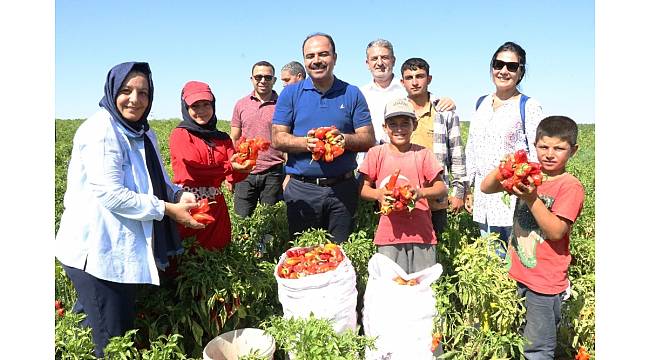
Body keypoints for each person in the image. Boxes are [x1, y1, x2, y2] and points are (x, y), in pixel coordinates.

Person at [55, 62, 205, 358]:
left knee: (90, 324)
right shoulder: (101, 130)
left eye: (143, 92)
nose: (135, 99)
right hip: (96, 253)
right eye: (126, 90)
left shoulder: (143, 132)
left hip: (117, 248)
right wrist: (167, 209)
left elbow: (158, 179)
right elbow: (112, 194)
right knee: (112, 341)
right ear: (112, 91)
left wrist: (180, 194)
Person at [480, 115, 583, 359]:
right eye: (543, 146)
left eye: (559, 148)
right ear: (534, 145)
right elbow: (486, 187)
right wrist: (508, 165)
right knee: (518, 336)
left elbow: (556, 231)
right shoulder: (529, 173)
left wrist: (531, 198)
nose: (549, 153)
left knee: (538, 347)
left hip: (545, 282)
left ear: (573, 151)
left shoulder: (570, 186)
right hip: (518, 272)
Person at [272, 32, 375, 244]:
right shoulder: (290, 94)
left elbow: (368, 139)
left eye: (323, 54)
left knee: (340, 251)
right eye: (310, 56)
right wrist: (306, 143)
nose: (316, 60)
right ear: (304, 60)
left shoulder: (351, 93)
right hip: (302, 189)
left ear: (334, 58)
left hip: (342, 188)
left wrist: (343, 140)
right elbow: (277, 138)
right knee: (302, 253)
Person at [464, 41, 544, 258]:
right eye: (498, 64)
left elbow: (539, 154)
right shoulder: (481, 103)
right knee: (489, 259)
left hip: (512, 198)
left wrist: (529, 192)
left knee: (517, 260)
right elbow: (472, 147)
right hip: (483, 198)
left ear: (521, 72)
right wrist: (469, 189)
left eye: (512, 66)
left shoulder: (529, 106)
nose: (504, 71)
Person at [358, 98, 447, 273]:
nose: (399, 129)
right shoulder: (376, 153)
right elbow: (362, 188)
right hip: (388, 235)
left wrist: (419, 193)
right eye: (393, 124)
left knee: (422, 285)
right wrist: (379, 195)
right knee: (391, 285)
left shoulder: (422, 153)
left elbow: (441, 188)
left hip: (422, 233)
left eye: (405, 124)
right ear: (385, 127)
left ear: (414, 125)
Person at [170, 80, 253, 250]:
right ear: (186, 108)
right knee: (188, 254)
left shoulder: (222, 138)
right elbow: (194, 168)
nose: (201, 111)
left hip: (216, 206)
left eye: (206, 105)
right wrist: (230, 166)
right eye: (195, 106)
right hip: (189, 204)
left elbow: (234, 175)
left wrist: (247, 162)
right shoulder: (181, 134)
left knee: (218, 251)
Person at [357, 39, 455, 166]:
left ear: (393, 60)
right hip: (369, 163)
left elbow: (428, 102)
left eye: (385, 57)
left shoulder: (406, 88)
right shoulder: (359, 93)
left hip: (404, 161)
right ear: (367, 63)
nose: (379, 63)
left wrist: (447, 102)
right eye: (374, 58)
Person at [401, 57, 467, 236]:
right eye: (409, 77)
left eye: (420, 76)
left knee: (437, 249)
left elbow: (457, 154)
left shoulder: (444, 112)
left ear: (429, 79)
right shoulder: (397, 113)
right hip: (403, 196)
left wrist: (459, 193)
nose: (415, 82)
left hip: (435, 197)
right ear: (402, 82)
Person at [230, 61, 285, 218]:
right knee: (242, 218)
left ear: (274, 80)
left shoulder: (282, 104)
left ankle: (266, 244)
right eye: (258, 77)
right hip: (245, 172)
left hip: (273, 171)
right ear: (252, 79)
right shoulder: (241, 104)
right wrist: (232, 173)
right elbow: (234, 138)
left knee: (269, 220)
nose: (263, 81)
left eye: (267, 77)